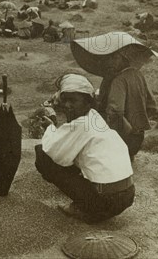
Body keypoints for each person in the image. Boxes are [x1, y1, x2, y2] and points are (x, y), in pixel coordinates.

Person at [35, 74, 135, 223]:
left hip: (106, 201)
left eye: (73, 101)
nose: (67, 105)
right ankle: (93, 205)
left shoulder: (82, 124)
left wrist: (50, 128)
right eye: (65, 100)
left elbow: (53, 151)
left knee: (42, 156)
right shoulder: (95, 117)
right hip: (127, 196)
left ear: (88, 102)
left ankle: (87, 209)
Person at [96, 43, 158, 158]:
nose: (111, 61)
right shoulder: (139, 75)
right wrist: (139, 121)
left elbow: (115, 111)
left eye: (115, 58)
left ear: (125, 59)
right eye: (111, 58)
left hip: (123, 135)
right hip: (139, 135)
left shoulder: (119, 80)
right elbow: (152, 105)